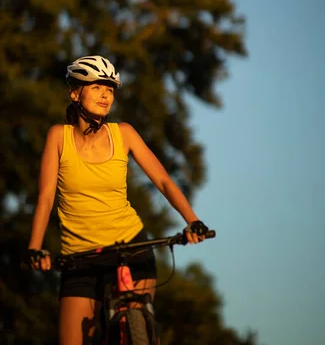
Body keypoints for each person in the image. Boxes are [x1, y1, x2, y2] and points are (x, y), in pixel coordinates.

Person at [27, 55, 208, 345]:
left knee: (141, 333)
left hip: (131, 249)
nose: (105, 95)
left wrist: (193, 220)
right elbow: (46, 197)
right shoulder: (58, 137)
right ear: (75, 93)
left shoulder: (123, 133)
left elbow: (163, 180)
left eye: (110, 90)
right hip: (80, 259)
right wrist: (35, 248)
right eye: (97, 87)